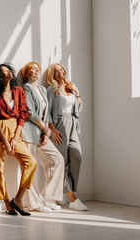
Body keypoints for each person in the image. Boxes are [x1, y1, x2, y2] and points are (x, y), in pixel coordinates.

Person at [0, 63, 37, 216]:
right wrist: (6, 142)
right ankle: (6, 202)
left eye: (8, 70)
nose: (7, 72)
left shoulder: (19, 91)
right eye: (3, 71)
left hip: (15, 129)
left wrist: (15, 139)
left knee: (31, 163)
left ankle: (19, 198)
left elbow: (22, 115)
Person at [20, 61, 64, 213]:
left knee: (57, 160)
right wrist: (44, 128)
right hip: (29, 132)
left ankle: (49, 197)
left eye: (38, 69)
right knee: (30, 166)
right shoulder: (26, 88)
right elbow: (30, 112)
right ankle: (34, 204)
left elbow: (47, 113)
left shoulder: (43, 89)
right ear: (27, 73)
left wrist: (46, 131)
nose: (36, 71)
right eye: (33, 69)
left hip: (41, 132)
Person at [46, 63, 87, 211]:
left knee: (77, 156)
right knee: (62, 162)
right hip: (60, 126)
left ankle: (67, 191)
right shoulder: (52, 90)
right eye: (56, 71)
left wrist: (77, 93)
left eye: (61, 70)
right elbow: (48, 112)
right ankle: (72, 198)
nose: (60, 73)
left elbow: (79, 108)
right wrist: (53, 131)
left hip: (73, 125)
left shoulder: (70, 88)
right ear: (52, 75)